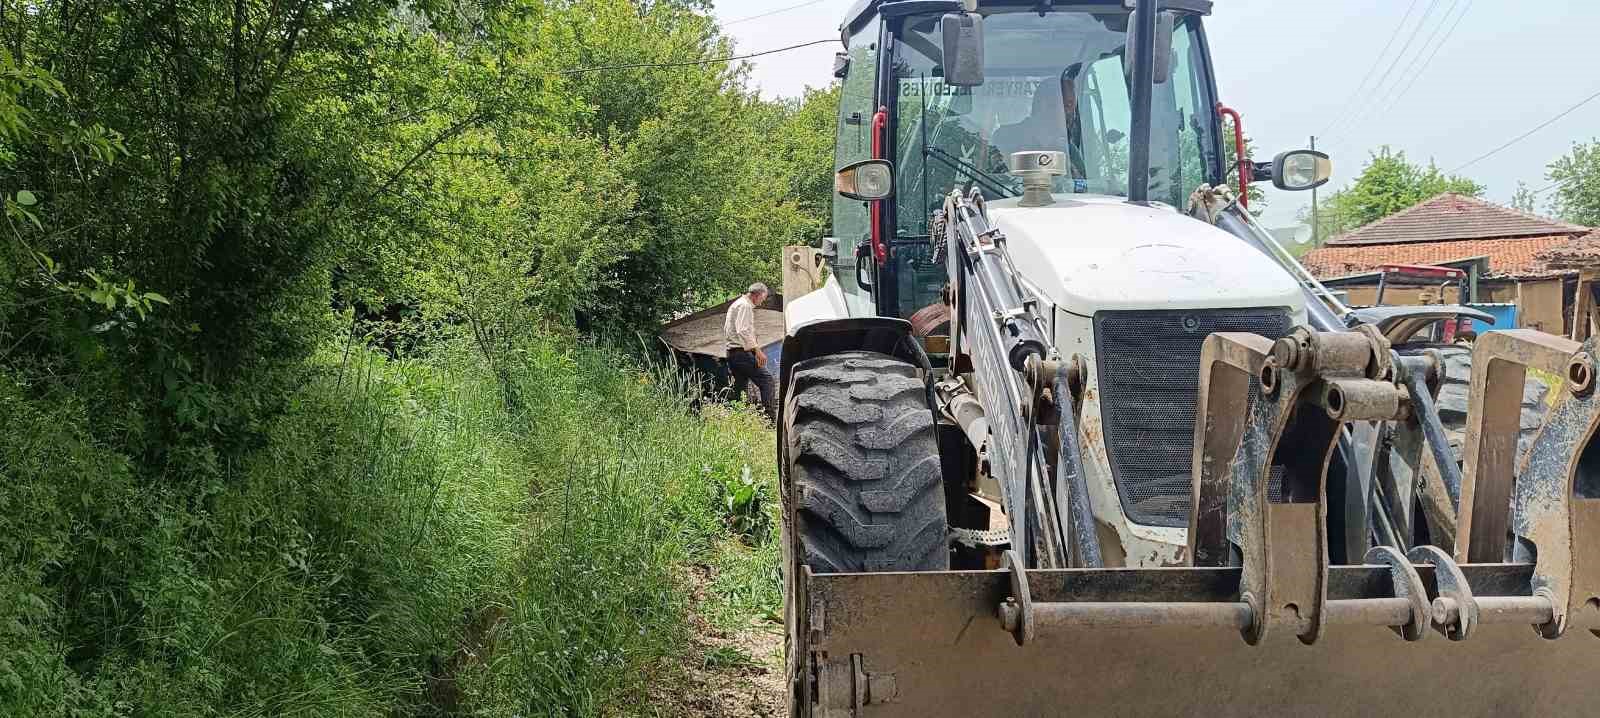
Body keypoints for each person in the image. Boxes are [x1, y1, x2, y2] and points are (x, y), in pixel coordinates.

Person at [991, 69, 1088, 180]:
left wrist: (1073, 175)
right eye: (1068, 105)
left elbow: (1084, 185)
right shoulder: (1005, 138)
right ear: (1044, 105)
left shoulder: (1069, 150)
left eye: (1073, 107)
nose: (1073, 113)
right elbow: (994, 180)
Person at [723, 282, 776, 421]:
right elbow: (743, 330)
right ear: (756, 295)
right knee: (767, 381)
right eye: (762, 298)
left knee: (740, 386)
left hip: (733, 353)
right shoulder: (745, 306)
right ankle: (770, 420)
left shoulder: (737, 304)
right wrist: (757, 351)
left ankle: (736, 418)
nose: (762, 302)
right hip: (740, 353)